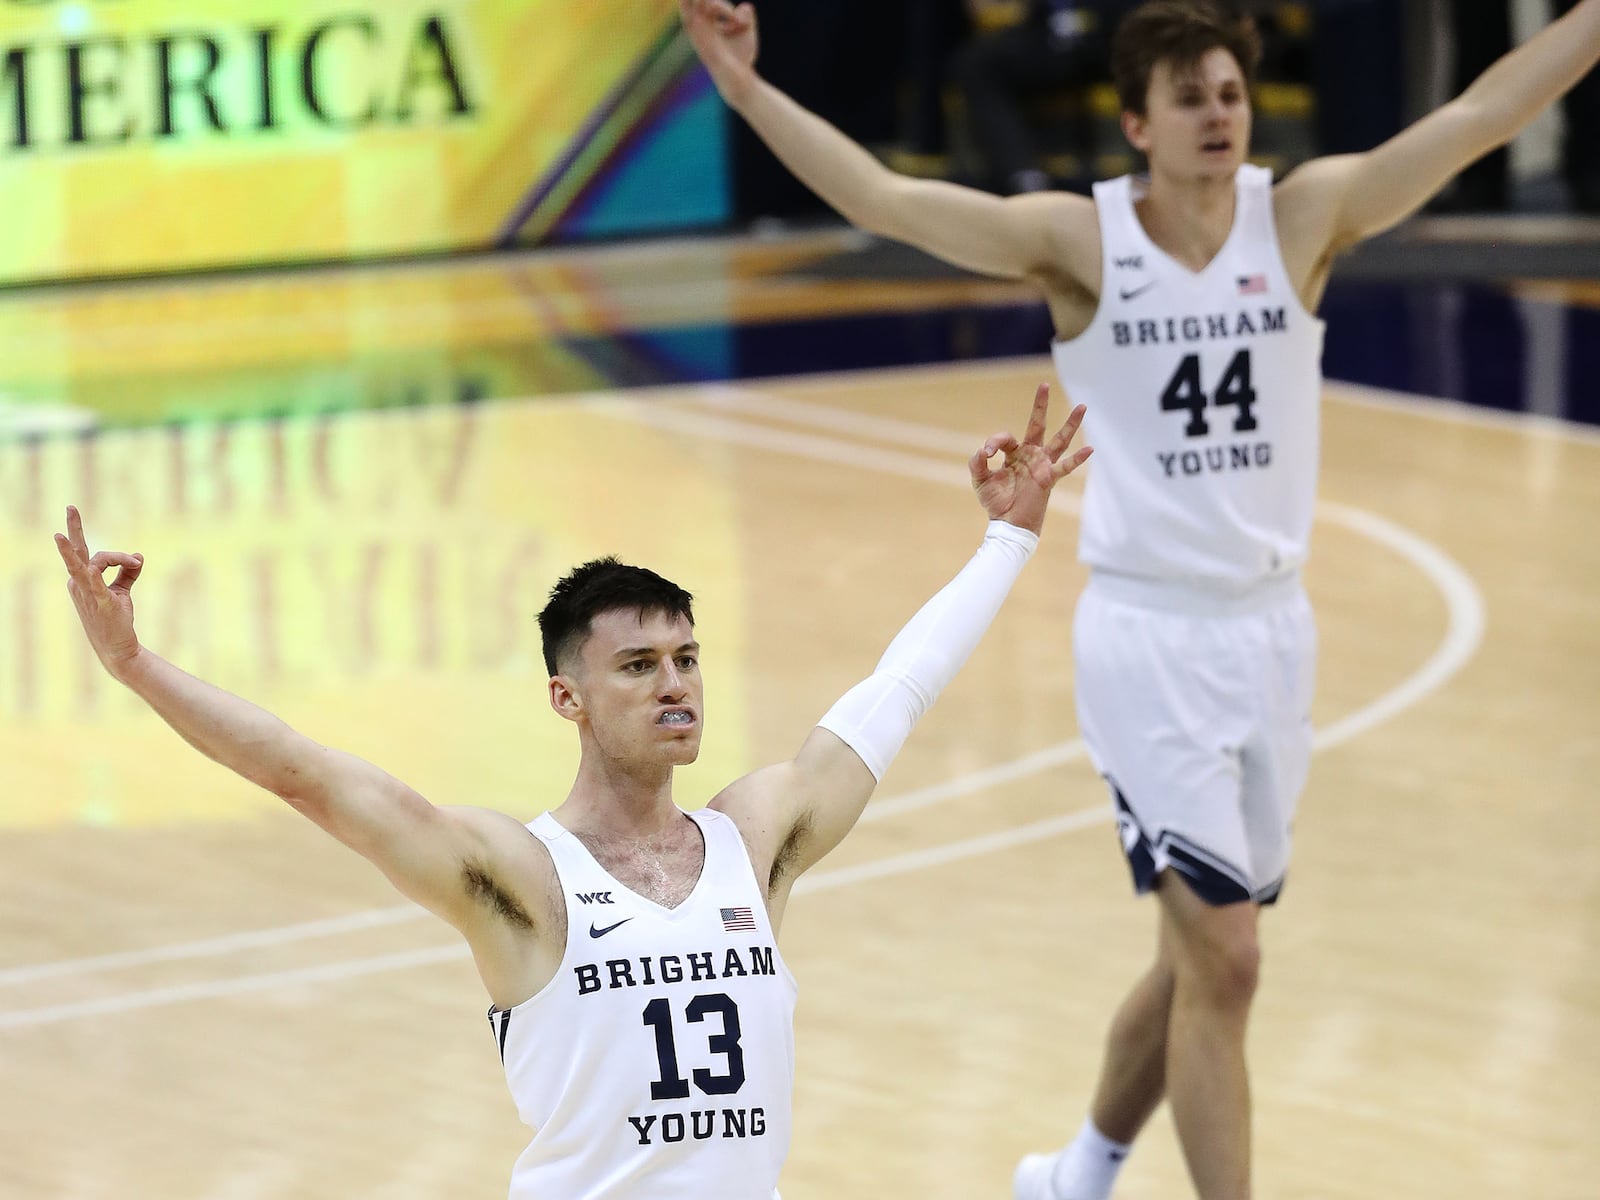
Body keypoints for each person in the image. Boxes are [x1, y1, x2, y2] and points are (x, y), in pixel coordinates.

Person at [678, 1, 1600, 1197]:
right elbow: (886, 202)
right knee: (1227, 954)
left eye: (1229, 93)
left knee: (1198, 961)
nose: (1218, 115)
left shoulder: (1303, 213)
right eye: (1189, 99)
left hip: (1274, 635)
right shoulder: (1086, 241)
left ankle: (1079, 1172)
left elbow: (1485, 114)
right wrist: (747, 91)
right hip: (1149, 640)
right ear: (1136, 124)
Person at [52, 384, 1091, 1200]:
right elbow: (303, 774)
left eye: (685, 658)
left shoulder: (756, 837)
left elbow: (896, 692)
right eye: (637, 665)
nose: (674, 682)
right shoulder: (520, 878)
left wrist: (1010, 538)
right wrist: (137, 668)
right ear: (568, 697)